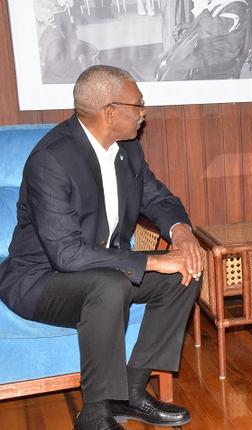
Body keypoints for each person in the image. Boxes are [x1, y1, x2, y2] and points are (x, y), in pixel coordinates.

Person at [0, 65, 203, 430]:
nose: (144, 113)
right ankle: (94, 413)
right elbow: (68, 254)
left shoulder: (128, 151)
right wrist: (155, 262)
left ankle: (131, 393)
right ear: (110, 112)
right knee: (111, 283)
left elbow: (158, 198)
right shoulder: (52, 160)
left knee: (185, 273)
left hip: (106, 271)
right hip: (41, 281)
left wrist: (182, 234)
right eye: (138, 104)